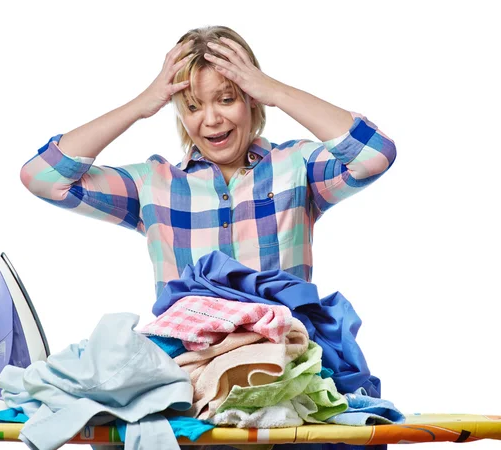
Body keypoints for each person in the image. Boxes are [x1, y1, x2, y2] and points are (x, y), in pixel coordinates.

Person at [20, 25, 395, 450]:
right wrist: (142, 105)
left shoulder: (298, 168)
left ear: (251, 99)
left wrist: (273, 89)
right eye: (193, 106)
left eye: (227, 99)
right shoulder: (155, 185)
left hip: (281, 376)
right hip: (188, 386)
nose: (211, 119)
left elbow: (374, 154)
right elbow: (42, 178)